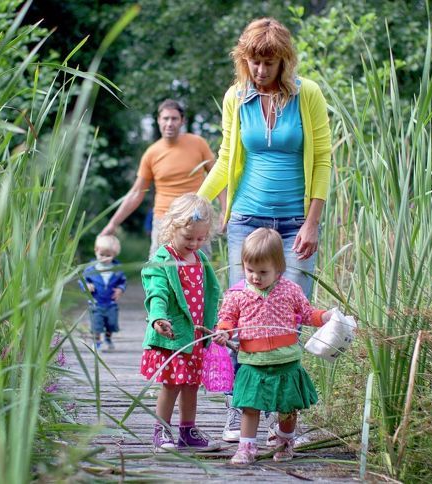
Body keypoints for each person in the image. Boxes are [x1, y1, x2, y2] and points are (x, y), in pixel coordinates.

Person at [197, 17, 333, 443]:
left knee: (290, 319)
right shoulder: (236, 98)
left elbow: (324, 159)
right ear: (245, 60)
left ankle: (285, 419)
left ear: (283, 61)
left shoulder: (307, 94)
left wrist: (312, 223)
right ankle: (241, 411)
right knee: (242, 319)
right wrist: (198, 203)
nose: (260, 70)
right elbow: (225, 157)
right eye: (254, 61)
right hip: (248, 221)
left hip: (295, 223)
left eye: (269, 62)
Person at [212, 228, 332, 465]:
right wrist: (223, 332)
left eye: (263, 272)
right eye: (250, 270)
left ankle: (285, 442)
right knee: (249, 405)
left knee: (287, 407)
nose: (255, 277)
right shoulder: (237, 294)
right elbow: (227, 318)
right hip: (252, 361)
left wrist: (324, 317)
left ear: (279, 268)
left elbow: (306, 314)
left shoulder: (290, 290)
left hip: (285, 360)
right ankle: (247, 447)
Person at [139, 194, 221, 452]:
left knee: (191, 385)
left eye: (201, 239)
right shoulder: (163, 260)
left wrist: (215, 325)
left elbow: (210, 294)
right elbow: (157, 292)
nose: (195, 244)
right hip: (173, 335)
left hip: (195, 336)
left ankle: (188, 429)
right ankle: (161, 429)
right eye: (188, 238)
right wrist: (158, 318)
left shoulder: (200, 260)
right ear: (171, 228)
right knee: (172, 384)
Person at [101, 99, 219, 257]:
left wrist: (225, 210)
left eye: (174, 119)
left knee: (199, 270)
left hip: (195, 217)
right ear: (158, 120)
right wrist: (112, 224)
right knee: (157, 270)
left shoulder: (198, 144)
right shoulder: (151, 153)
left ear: (182, 121)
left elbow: (218, 176)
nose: (169, 123)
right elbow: (136, 193)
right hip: (164, 219)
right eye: (165, 118)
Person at [81, 234, 127, 351]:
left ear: (114, 255)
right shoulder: (91, 268)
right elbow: (82, 280)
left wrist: (120, 289)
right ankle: (97, 341)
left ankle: (108, 338)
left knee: (111, 324)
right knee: (96, 324)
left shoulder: (117, 269)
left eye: (108, 256)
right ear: (96, 251)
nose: (104, 258)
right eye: (101, 255)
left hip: (111, 303)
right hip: (96, 302)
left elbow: (123, 281)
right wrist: (86, 285)